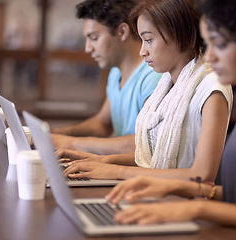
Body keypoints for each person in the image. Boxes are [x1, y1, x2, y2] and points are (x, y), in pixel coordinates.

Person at [104, 0, 236, 238]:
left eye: (218, 43)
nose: (209, 55)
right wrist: (180, 187)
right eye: (207, 43)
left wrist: (198, 207)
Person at [60, 0, 233, 183]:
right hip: (157, 193)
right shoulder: (168, 85)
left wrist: (115, 171)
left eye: (149, 40)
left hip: (182, 203)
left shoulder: (211, 87)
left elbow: (202, 175)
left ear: (181, 35)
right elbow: (152, 155)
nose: (142, 51)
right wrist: (101, 161)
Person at [51, 0, 162, 155]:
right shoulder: (116, 72)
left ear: (122, 32)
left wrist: (73, 143)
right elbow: (102, 124)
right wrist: (58, 133)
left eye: (94, 38)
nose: (88, 48)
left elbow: (147, 144)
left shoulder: (153, 77)